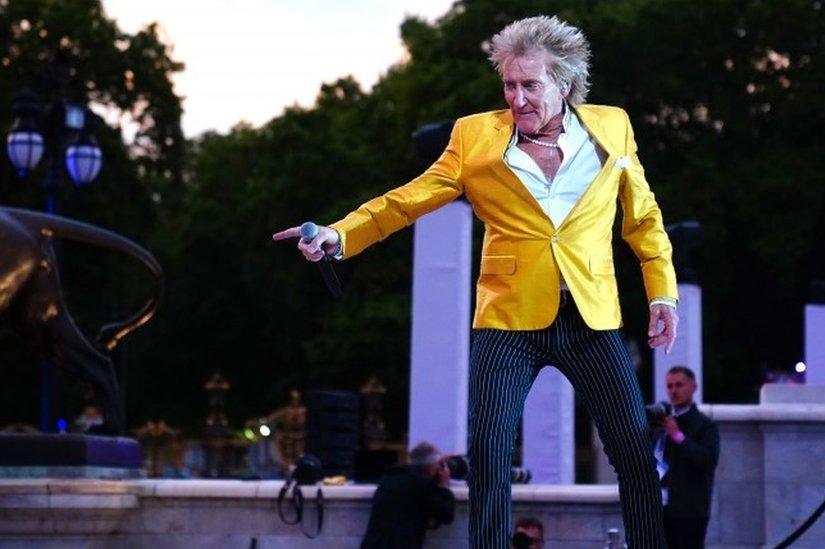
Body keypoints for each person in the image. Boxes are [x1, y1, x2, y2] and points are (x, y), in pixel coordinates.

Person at [274, 15, 679, 548]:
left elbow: (643, 219)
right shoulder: (474, 137)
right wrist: (340, 233)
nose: (517, 98)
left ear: (563, 84)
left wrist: (662, 292)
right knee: (487, 454)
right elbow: (407, 199)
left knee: (632, 448)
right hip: (507, 320)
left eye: (529, 85)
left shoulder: (613, 127)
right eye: (509, 85)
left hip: (591, 315)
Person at [652, 366, 720, 549]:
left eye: (679, 385)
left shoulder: (705, 426)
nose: (673, 391)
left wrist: (678, 436)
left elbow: (707, 461)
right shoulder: (661, 423)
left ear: (693, 387)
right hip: (660, 509)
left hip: (690, 511)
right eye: (670, 386)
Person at [359, 442, 455, 549]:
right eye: (439, 465)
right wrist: (444, 485)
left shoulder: (389, 478)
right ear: (432, 467)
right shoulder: (422, 483)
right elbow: (446, 514)